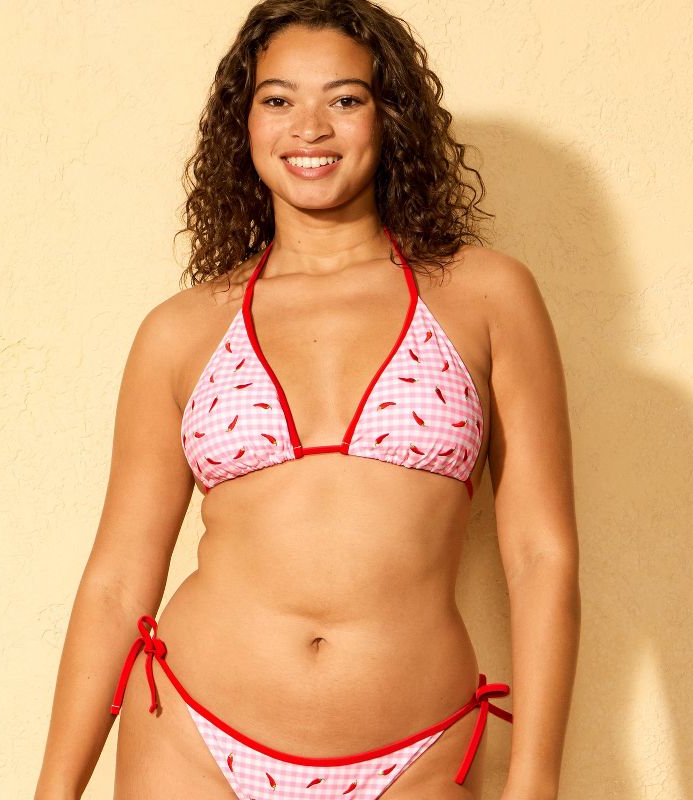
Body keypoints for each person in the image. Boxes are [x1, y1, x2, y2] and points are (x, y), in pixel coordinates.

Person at [35, 1, 580, 798]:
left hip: (417, 754)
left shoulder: (486, 296)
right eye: (278, 99)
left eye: (345, 98)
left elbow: (539, 556)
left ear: (389, 117)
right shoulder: (182, 330)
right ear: (245, 123)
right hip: (190, 739)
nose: (310, 127)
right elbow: (118, 582)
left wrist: (535, 781)